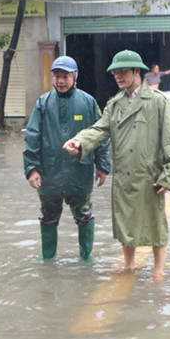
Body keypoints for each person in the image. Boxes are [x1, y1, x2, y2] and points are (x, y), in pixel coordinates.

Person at [63, 50, 170, 282]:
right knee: (125, 220)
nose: (118, 76)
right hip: (123, 173)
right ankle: (129, 265)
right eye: (115, 72)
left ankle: (158, 270)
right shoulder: (115, 104)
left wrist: (168, 175)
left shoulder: (158, 101)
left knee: (156, 222)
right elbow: (100, 129)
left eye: (123, 72)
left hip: (149, 173)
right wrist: (80, 141)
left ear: (137, 72)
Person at [23, 55, 111, 260]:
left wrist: (102, 166)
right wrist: (32, 169)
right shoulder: (43, 103)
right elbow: (32, 136)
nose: (61, 81)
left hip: (79, 171)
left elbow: (100, 135)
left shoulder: (88, 102)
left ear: (75, 77)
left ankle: (86, 258)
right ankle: (48, 259)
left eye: (66, 76)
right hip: (49, 172)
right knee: (48, 217)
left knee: (84, 215)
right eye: (57, 76)